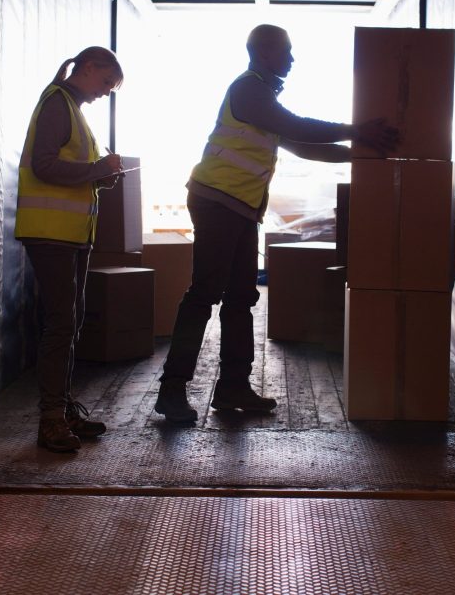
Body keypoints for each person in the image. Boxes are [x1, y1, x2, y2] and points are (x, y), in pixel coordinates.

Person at [154, 24, 399, 423]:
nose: (292, 59)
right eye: (287, 51)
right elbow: (299, 126)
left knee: (240, 299)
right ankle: (171, 391)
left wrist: (361, 155)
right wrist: (358, 131)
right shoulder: (249, 88)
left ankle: (234, 387)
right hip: (218, 201)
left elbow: (302, 145)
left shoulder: (262, 97)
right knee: (204, 296)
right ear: (266, 53)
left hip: (240, 208)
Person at [15, 46, 125, 453]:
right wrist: (97, 170)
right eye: (105, 83)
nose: (105, 92)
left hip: (70, 234)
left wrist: (99, 177)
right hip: (51, 233)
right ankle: (51, 420)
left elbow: (67, 169)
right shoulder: (58, 104)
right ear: (89, 67)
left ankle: (62, 412)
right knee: (62, 323)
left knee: (69, 322)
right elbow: (44, 165)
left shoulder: (72, 109)